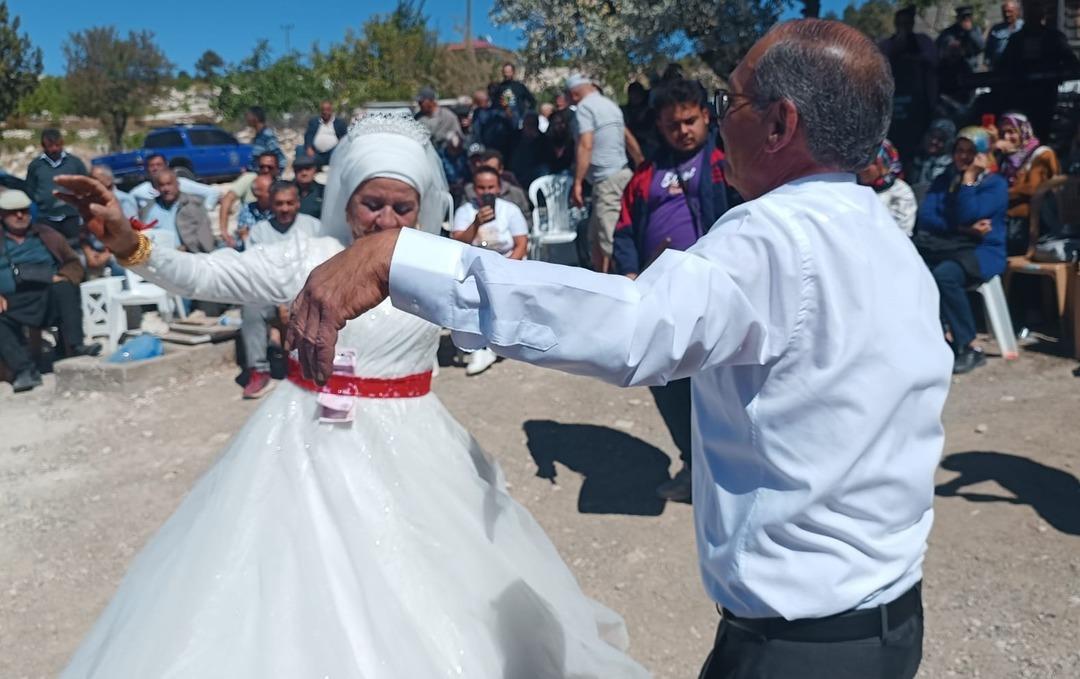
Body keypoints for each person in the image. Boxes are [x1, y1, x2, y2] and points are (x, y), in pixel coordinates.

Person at [288, 19, 950, 678]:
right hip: (886, 620)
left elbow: (630, 328)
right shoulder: (884, 238)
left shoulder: (775, 236)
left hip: (801, 650)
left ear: (779, 124)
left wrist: (403, 261)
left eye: (731, 101)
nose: (721, 122)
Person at [54, 114, 649, 678]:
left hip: (416, 441)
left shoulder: (434, 264)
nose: (386, 218)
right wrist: (129, 242)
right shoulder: (308, 256)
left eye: (402, 206)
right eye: (372, 203)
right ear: (346, 202)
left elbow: (523, 311)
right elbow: (209, 275)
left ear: (422, 208)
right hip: (303, 439)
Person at [612, 77, 739, 502]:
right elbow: (625, 228)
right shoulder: (645, 175)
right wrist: (630, 272)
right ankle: (692, 464)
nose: (682, 131)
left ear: (706, 116)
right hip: (661, 299)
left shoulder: (726, 163)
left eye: (689, 121)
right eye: (672, 125)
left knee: (723, 388)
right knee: (666, 382)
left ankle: (730, 473)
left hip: (716, 297)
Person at [915, 126, 1007, 374]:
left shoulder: (995, 184)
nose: (963, 157)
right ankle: (938, 338)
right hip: (949, 245)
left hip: (982, 251)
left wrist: (969, 180)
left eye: (971, 152)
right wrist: (961, 228)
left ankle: (969, 345)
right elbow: (927, 216)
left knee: (944, 276)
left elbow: (970, 213)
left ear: (982, 154)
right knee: (914, 272)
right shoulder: (944, 180)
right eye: (960, 150)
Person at [0, 190, 100, 393]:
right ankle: (24, 370)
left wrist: (63, 276)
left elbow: (74, 263)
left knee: (65, 288)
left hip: (48, 294)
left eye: (23, 211)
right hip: (12, 300)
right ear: (2, 215)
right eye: (13, 212)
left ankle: (76, 347)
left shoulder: (47, 234)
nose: (19, 216)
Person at [239, 181, 322, 399]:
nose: (284, 208)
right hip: (271, 294)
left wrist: (295, 299)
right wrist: (280, 303)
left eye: (289, 203)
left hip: (307, 292)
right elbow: (257, 272)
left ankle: (315, 366)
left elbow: (321, 267)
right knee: (251, 308)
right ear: (271, 205)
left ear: (298, 203)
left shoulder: (314, 227)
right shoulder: (259, 232)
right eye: (279, 204)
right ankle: (258, 370)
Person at [451, 165, 529, 376]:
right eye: (481, 188)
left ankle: (496, 341)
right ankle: (480, 345)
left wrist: (506, 269)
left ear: (499, 187)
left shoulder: (509, 210)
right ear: (474, 189)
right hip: (475, 266)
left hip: (506, 262)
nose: (487, 192)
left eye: (491, 187)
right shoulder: (465, 211)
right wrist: (476, 224)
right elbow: (457, 244)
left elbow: (521, 244)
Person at [567, 73, 644, 272]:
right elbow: (627, 137)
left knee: (611, 240)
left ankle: (626, 282)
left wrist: (577, 182)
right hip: (623, 175)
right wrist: (641, 164)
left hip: (607, 182)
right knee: (595, 239)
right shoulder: (610, 105)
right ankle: (601, 280)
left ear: (574, 94)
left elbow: (586, 144)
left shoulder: (584, 108)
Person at [997, 3, 1079, 139]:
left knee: (1042, 129)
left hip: (1045, 93)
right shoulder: (1016, 39)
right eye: (1030, 13)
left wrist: (1057, 73)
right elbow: (1003, 65)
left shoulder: (1054, 38)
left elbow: (1071, 62)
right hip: (1021, 94)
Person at [879, 6, 938, 164]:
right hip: (893, 109)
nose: (904, 26)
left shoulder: (923, 42)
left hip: (919, 108)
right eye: (901, 23)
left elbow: (932, 61)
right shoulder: (886, 45)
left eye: (908, 23)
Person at [995, 111, 1060, 254]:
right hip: (1005, 220)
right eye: (1002, 133)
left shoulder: (1042, 153)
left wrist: (1000, 194)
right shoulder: (1003, 159)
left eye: (1011, 132)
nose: (1006, 137)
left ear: (1023, 131)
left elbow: (1033, 188)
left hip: (1030, 225)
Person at [24, 129, 88, 247]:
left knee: (75, 249)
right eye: (50, 146)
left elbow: (85, 186)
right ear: (43, 146)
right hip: (45, 218)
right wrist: (41, 200)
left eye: (57, 145)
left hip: (71, 216)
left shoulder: (75, 163)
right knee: (49, 249)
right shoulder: (35, 165)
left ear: (62, 143)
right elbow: (30, 189)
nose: (54, 149)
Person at [139, 169, 217, 253]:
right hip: (160, 254)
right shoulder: (149, 209)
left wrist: (188, 247)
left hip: (189, 254)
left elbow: (205, 236)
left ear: (177, 184)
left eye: (169, 184)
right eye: (162, 185)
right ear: (157, 188)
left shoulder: (193, 204)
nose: (166, 189)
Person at [217, 151, 282, 245]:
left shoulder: (282, 187)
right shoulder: (249, 179)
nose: (265, 170)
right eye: (262, 167)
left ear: (277, 169)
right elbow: (228, 199)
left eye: (270, 167)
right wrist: (224, 231)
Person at [857, 140, 918, 236]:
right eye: (861, 161)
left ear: (884, 167)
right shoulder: (850, 186)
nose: (864, 168)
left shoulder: (900, 193)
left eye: (872, 163)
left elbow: (901, 232)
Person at [84, 166, 133, 278]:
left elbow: (130, 233)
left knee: (119, 266)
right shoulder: (88, 203)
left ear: (108, 181)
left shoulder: (124, 200)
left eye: (95, 179)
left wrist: (106, 255)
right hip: (95, 252)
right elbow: (83, 233)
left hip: (118, 252)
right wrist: (88, 253)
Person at [128, 153, 222, 210]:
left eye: (159, 165)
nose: (155, 168)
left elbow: (213, 192)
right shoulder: (139, 192)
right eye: (151, 166)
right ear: (146, 169)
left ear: (166, 165)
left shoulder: (181, 184)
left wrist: (204, 211)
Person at [464, 148, 531, 217]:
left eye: (492, 170)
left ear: (500, 169)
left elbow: (526, 218)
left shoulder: (515, 193)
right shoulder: (468, 192)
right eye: (485, 169)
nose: (488, 174)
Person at [909, 118, 957, 202]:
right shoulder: (914, 159)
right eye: (932, 136)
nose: (934, 141)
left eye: (940, 139)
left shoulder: (952, 166)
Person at [415, 86, 464, 155]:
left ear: (431, 101)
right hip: (426, 155)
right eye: (419, 102)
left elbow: (459, 137)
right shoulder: (417, 118)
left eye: (422, 102)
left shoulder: (447, 116)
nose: (420, 104)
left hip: (446, 155)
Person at [936, 6, 984, 71]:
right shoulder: (948, 32)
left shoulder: (975, 30)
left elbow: (981, 47)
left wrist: (970, 32)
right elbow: (939, 48)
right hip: (952, 68)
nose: (966, 20)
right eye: (963, 17)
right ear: (958, 18)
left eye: (969, 17)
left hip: (970, 68)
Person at [235, 174, 275, 250]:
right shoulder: (247, 209)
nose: (274, 194)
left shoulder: (277, 210)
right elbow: (243, 236)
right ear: (257, 194)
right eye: (269, 191)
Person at [302, 100, 347, 166]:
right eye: (323, 110)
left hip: (333, 152)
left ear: (331, 110)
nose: (325, 112)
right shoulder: (314, 122)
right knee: (300, 150)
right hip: (316, 153)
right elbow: (308, 136)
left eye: (327, 110)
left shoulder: (339, 123)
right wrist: (309, 148)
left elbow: (344, 138)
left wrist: (340, 147)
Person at [495, 62, 537, 126]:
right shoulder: (499, 87)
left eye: (509, 72)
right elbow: (495, 103)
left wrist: (526, 113)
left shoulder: (520, 86)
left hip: (519, 117)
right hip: (503, 117)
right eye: (505, 72)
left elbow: (532, 100)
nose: (507, 74)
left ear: (513, 72)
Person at [986, 0, 1024, 70]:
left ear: (1017, 11)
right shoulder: (996, 29)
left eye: (1010, 11)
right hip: (1000, 68)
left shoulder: (1023, 27)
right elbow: (988, 51)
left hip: (1020, 67)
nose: (1007, 14)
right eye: (1004, 12)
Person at [245, 105, 286, 169]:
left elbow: (281, 159)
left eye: (248, 116)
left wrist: (275, 173)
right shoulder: (257, 137)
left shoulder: (267, 136)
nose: (246, 119)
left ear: (255, 118)